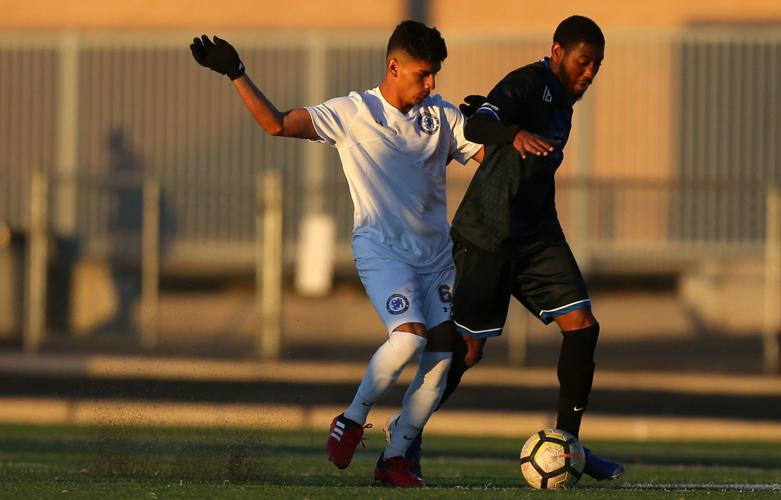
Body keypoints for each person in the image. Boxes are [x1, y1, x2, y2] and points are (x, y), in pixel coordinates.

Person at [190, 21, 483, 488]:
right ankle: (350, 420)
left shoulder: (442, 116)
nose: (432, 84)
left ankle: (396, 458)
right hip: (383, 252)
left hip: (436, 258)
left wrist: (496, 125)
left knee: (445, 355)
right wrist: (236, 72)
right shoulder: (353, 111)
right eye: (424, 74)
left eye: (435, 75)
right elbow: (277, 123)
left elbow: (493, 158)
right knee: (408, 339)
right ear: (393, 66)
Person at [395, 15, 625, 482]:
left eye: (597, 66)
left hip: (538, 235)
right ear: (558, 52)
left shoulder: (564, 103)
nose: (589, 74)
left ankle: (569, 446)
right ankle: (407, 435)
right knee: (468, 351)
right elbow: (479, 125)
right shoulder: (527, 81)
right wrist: (511, 132)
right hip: (488, 236)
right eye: (584, 62)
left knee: (582, 327)